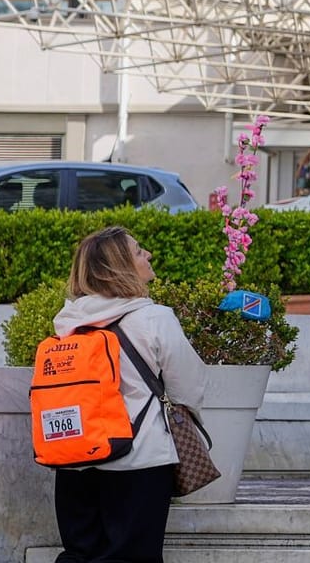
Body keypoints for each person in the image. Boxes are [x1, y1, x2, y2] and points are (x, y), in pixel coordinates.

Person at [51, 226, 206, 563]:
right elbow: (190, 387)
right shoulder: (154, 318)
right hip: (140, 459)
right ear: (118, 267)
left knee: (80, 555)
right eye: (138, 251)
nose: (147, 254)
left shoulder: (67, 324)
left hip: (75, 462)